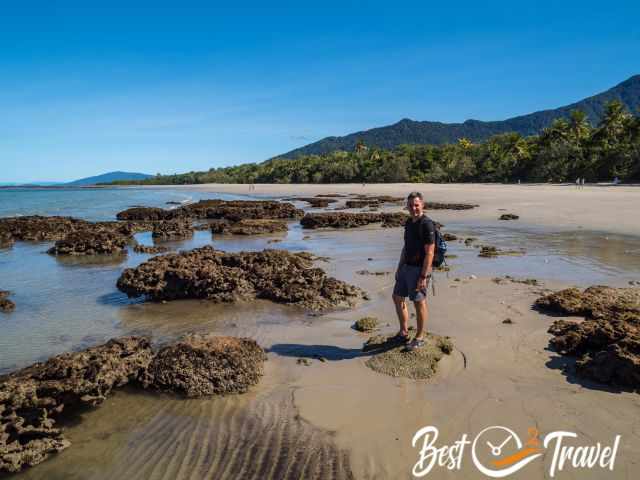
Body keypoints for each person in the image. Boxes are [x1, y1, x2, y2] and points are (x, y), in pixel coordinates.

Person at [392, 191, 436, 351]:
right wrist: (399, 267)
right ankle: (403, 332)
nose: (413, 208)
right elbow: (406, 247)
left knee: (419, 302)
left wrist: (423, 276)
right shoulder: (409, 223)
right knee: (397, 297)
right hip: (405, 267)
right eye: (410, 205)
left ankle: (419, 337)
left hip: (419, 269)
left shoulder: (427, 224)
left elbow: (430, 252)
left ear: (422, 205)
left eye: (416, 205)